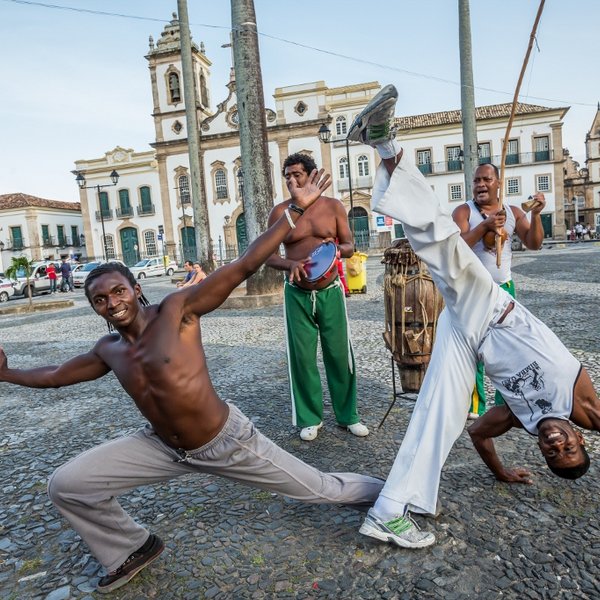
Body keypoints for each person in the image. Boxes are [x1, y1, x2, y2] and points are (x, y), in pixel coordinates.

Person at [0, 168, 384, 594]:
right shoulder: (108, 350)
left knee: (321, 489)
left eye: (118, 292)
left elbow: (244, 265)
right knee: (66, 485)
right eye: (101, 300)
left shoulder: (178, 310)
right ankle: (131, 548)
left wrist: (293, 211)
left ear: (136, 288)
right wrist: (6, 372)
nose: (112, 303)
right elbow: (54, 376)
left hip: (225, 442)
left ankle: (392, 495)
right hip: (163, 447)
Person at [344, 84, 599, 549]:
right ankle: (385, 144)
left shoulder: (520, 419)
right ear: (583, 440)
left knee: (440, 414)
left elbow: (480, 433)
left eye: (553, 455)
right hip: (494, 309)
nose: (557, 444)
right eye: (569, 447)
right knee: (445, 247)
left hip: (466, 336)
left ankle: (389, 511)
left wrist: (502, 473)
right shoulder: (583, 407)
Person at [265, 153, 369, 441]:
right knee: (302, 358)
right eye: (286, 176)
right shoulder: (281, 213)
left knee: (339, 355)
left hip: (330, 290)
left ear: (310, 176)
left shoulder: (334, 206)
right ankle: (310, 418)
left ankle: (349, 416)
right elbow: (268, 256)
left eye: (296, 174)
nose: (290, 180)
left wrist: (335, 248)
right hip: (297, 294)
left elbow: (349, 245)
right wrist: (290, 265)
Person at [452, 165, 545, 419]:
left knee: (509, 347)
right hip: (473, 291)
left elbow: (534, 243)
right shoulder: (463, 211)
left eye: (486, 179)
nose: (480, 184)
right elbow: (456, 248)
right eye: (476, 180)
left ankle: (506, 404)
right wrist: (485, 227)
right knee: (475, 349)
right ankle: (474, 406)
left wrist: (536, 215)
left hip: (505, 289)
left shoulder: (513, 212)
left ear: (498, 183)